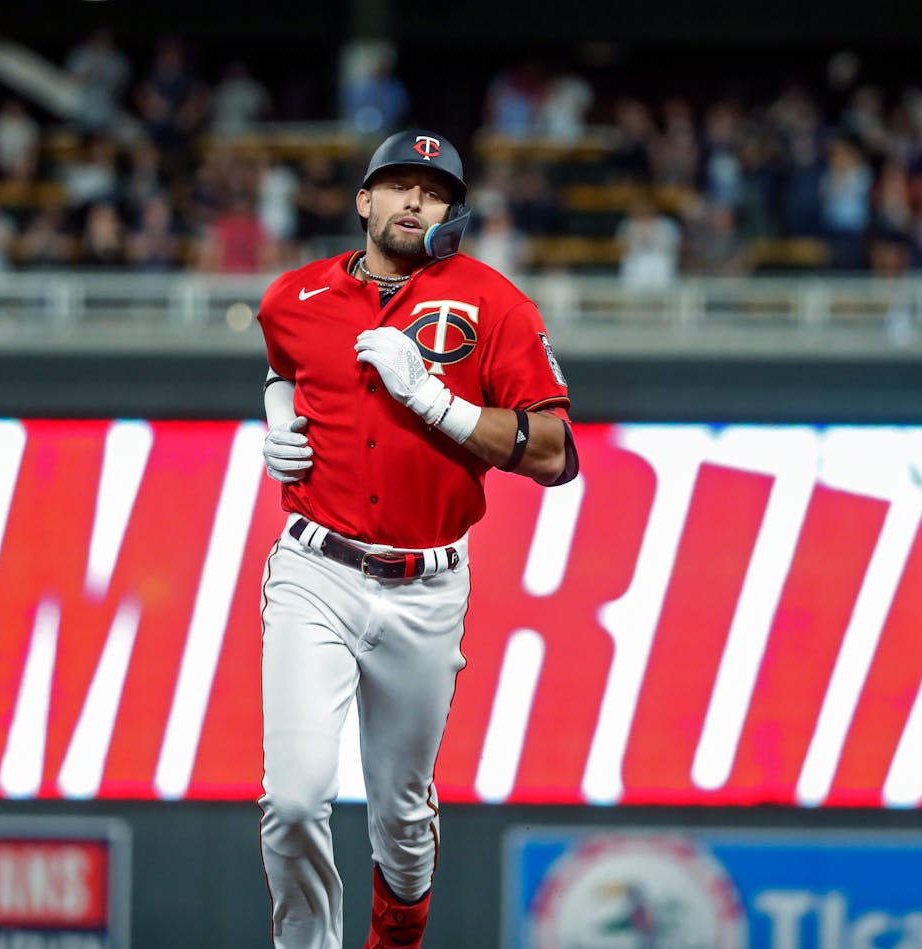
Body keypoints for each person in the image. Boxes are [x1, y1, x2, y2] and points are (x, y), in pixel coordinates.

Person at [254, 128, 577, 949]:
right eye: (399, 185)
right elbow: (285, 363)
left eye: (432, 192)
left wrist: (438, 403)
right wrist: (276, 413)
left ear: (451, 213)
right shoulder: (293, 296)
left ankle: (396, 935)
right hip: (315, 565)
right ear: (364, 199)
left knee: (400, 815)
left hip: (426, 585)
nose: (413, 201)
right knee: (293, 797)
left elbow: (554, 454)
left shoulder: (494, 302)